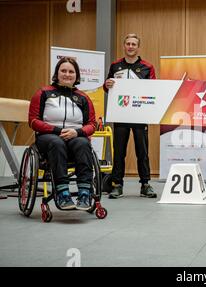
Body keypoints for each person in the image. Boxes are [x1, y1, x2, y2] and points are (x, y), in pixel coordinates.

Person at [28, 57, 96, 210]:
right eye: (63, 71)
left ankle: (85, 192)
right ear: (57, 74)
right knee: (56, 142)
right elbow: (32, 121)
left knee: (83, 143)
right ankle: (62, 192)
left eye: (71, 71)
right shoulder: (43, 93)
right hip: (48, 137)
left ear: (76, 76)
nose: (67, 74)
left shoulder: (84, 98)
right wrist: (57, 130)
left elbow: (92, 124)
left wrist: (77, 132)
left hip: (75, 136)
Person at [103, 33, 157, 199]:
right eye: (128, 43)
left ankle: (145, 184)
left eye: (134, 44)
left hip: (140, 115)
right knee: (119, 151)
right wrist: (107, 84)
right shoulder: (115, 66)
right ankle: (117, 184)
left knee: (143, 151)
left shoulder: (148, 67)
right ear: (124, 46)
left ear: (138, 47)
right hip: (121, 114)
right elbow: (107, 87)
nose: (131, 46)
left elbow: (155, 89)